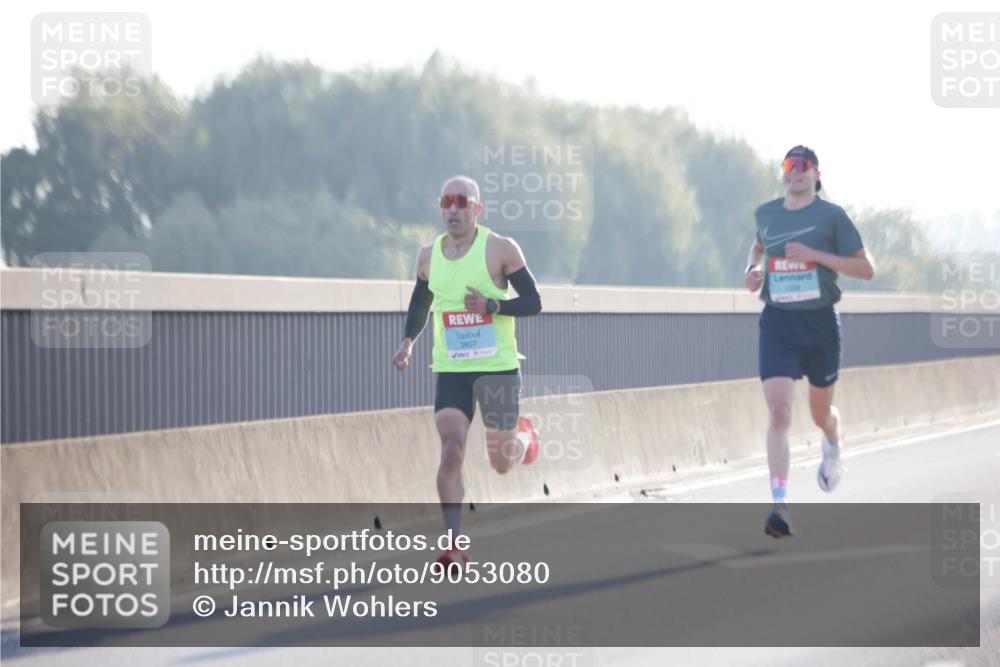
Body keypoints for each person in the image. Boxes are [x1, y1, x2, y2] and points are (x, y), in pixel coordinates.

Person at [392, 175, 543, 568]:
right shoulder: (428, 256)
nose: (453, 209)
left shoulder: (500, 250)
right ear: (441, 208)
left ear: (477, 209)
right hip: (453, 370)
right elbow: (421, 301)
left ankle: (525, 437)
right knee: (452, 447)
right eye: (447, 201)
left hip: (497, 369)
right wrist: (408, 341)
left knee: (501, 461)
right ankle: (454, 544)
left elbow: (534, 302)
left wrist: (493, 307)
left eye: (461, 202)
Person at [744, 146, 876, 538]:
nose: (795, 172)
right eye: (789, 165)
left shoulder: (832, 217)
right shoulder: (767, 214)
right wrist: (752, 270)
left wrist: (817, 256)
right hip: (778, 323)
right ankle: (779, 506)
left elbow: (866, 268)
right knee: (780, 411)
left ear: (816, 175)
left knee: (820, 413)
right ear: (782, 173)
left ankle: (833, 440)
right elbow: (758, 247)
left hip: (819, 323)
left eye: (803, 167)